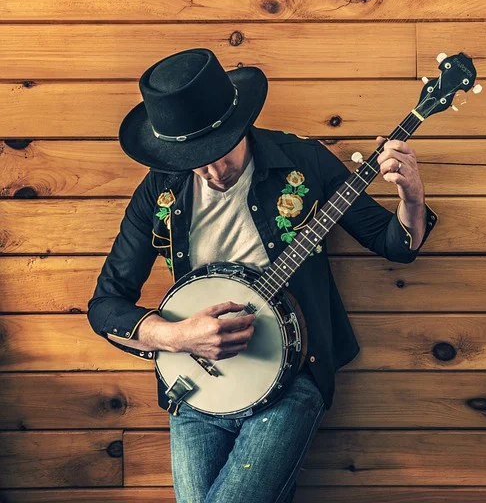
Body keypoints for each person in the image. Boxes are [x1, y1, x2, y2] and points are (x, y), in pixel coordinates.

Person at [86, 48, 438, 502]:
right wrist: (178, 337)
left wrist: (411, 194)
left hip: (293, 377)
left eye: (218, 152)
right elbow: (105, 305)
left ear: (239, 125)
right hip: (195, 388)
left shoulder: (304, 162)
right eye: (194, 159)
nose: (211, 171)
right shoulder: (160, 189)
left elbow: (394, 245)